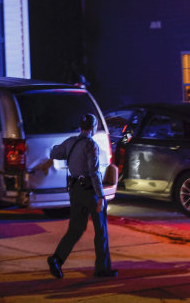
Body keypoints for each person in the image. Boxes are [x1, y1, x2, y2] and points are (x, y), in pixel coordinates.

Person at [47, 113, 117, 278]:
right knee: (101, 230)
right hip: (90, 192)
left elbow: (54, 153)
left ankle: (57, 259)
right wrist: (100, 197)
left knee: (75, 229)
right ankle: (102, 269)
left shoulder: (71, 142)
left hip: (75, 192)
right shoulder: (90, 145)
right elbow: (94, 173)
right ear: (93, 128)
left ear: (81, 127)